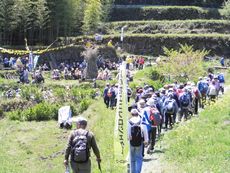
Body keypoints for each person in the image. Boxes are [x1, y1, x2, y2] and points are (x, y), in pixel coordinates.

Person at [128, 109, 148, 173]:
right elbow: (145, 131)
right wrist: (146, 141)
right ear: (137, 114)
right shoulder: (141, 121)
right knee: (139, 158)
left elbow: (127, 133)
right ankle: (138, 172)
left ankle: (132, 171)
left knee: (132, 159)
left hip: (131, 142)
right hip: (140, 142)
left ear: (131, 114)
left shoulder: (128, 122)